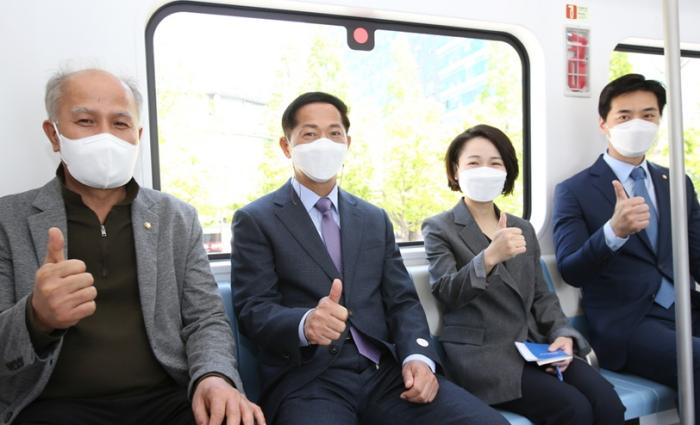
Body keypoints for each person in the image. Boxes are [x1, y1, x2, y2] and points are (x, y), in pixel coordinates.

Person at [0, 68, 264, 425]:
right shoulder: (8, 220)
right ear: (54, 134)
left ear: (137, 136)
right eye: (86, 121)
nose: (105, 136)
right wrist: (37, 318)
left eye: (120, 124)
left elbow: (206, 319)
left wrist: (214, 377)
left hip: (166, 401)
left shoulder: (177, 218)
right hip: (53, 405)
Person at [230, 92, 508, 425]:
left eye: (334, 133)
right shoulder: (256, 220)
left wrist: (418, 357)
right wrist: (305, 323)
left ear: (347, 143)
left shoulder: (373, 218)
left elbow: (402, 301)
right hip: (310, 381)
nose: (324, 143)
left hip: (385, 372)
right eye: (310, 133)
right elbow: (253, 310)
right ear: (286, 146)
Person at [422, 124, 625, 424]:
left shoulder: (523, 228)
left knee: (607, 402)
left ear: (507, 172)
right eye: (474, 163)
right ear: (455, 171)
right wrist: (489, 257)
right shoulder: (439, 227)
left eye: (495, 163)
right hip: (482, 357)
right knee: (574, 409)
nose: (485, 171)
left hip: (535, 346)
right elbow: (447, 292)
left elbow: (542, 296)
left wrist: (562, 334)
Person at [553, 73, 700, 412]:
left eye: (648, 115)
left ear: (659, 121)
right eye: (624, 116)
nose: (637, 124)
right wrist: (613, 233)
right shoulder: (574, 190)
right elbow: (572, 270)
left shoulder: (676, 182)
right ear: (604, 123)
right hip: (628, 324)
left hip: (684, 309)